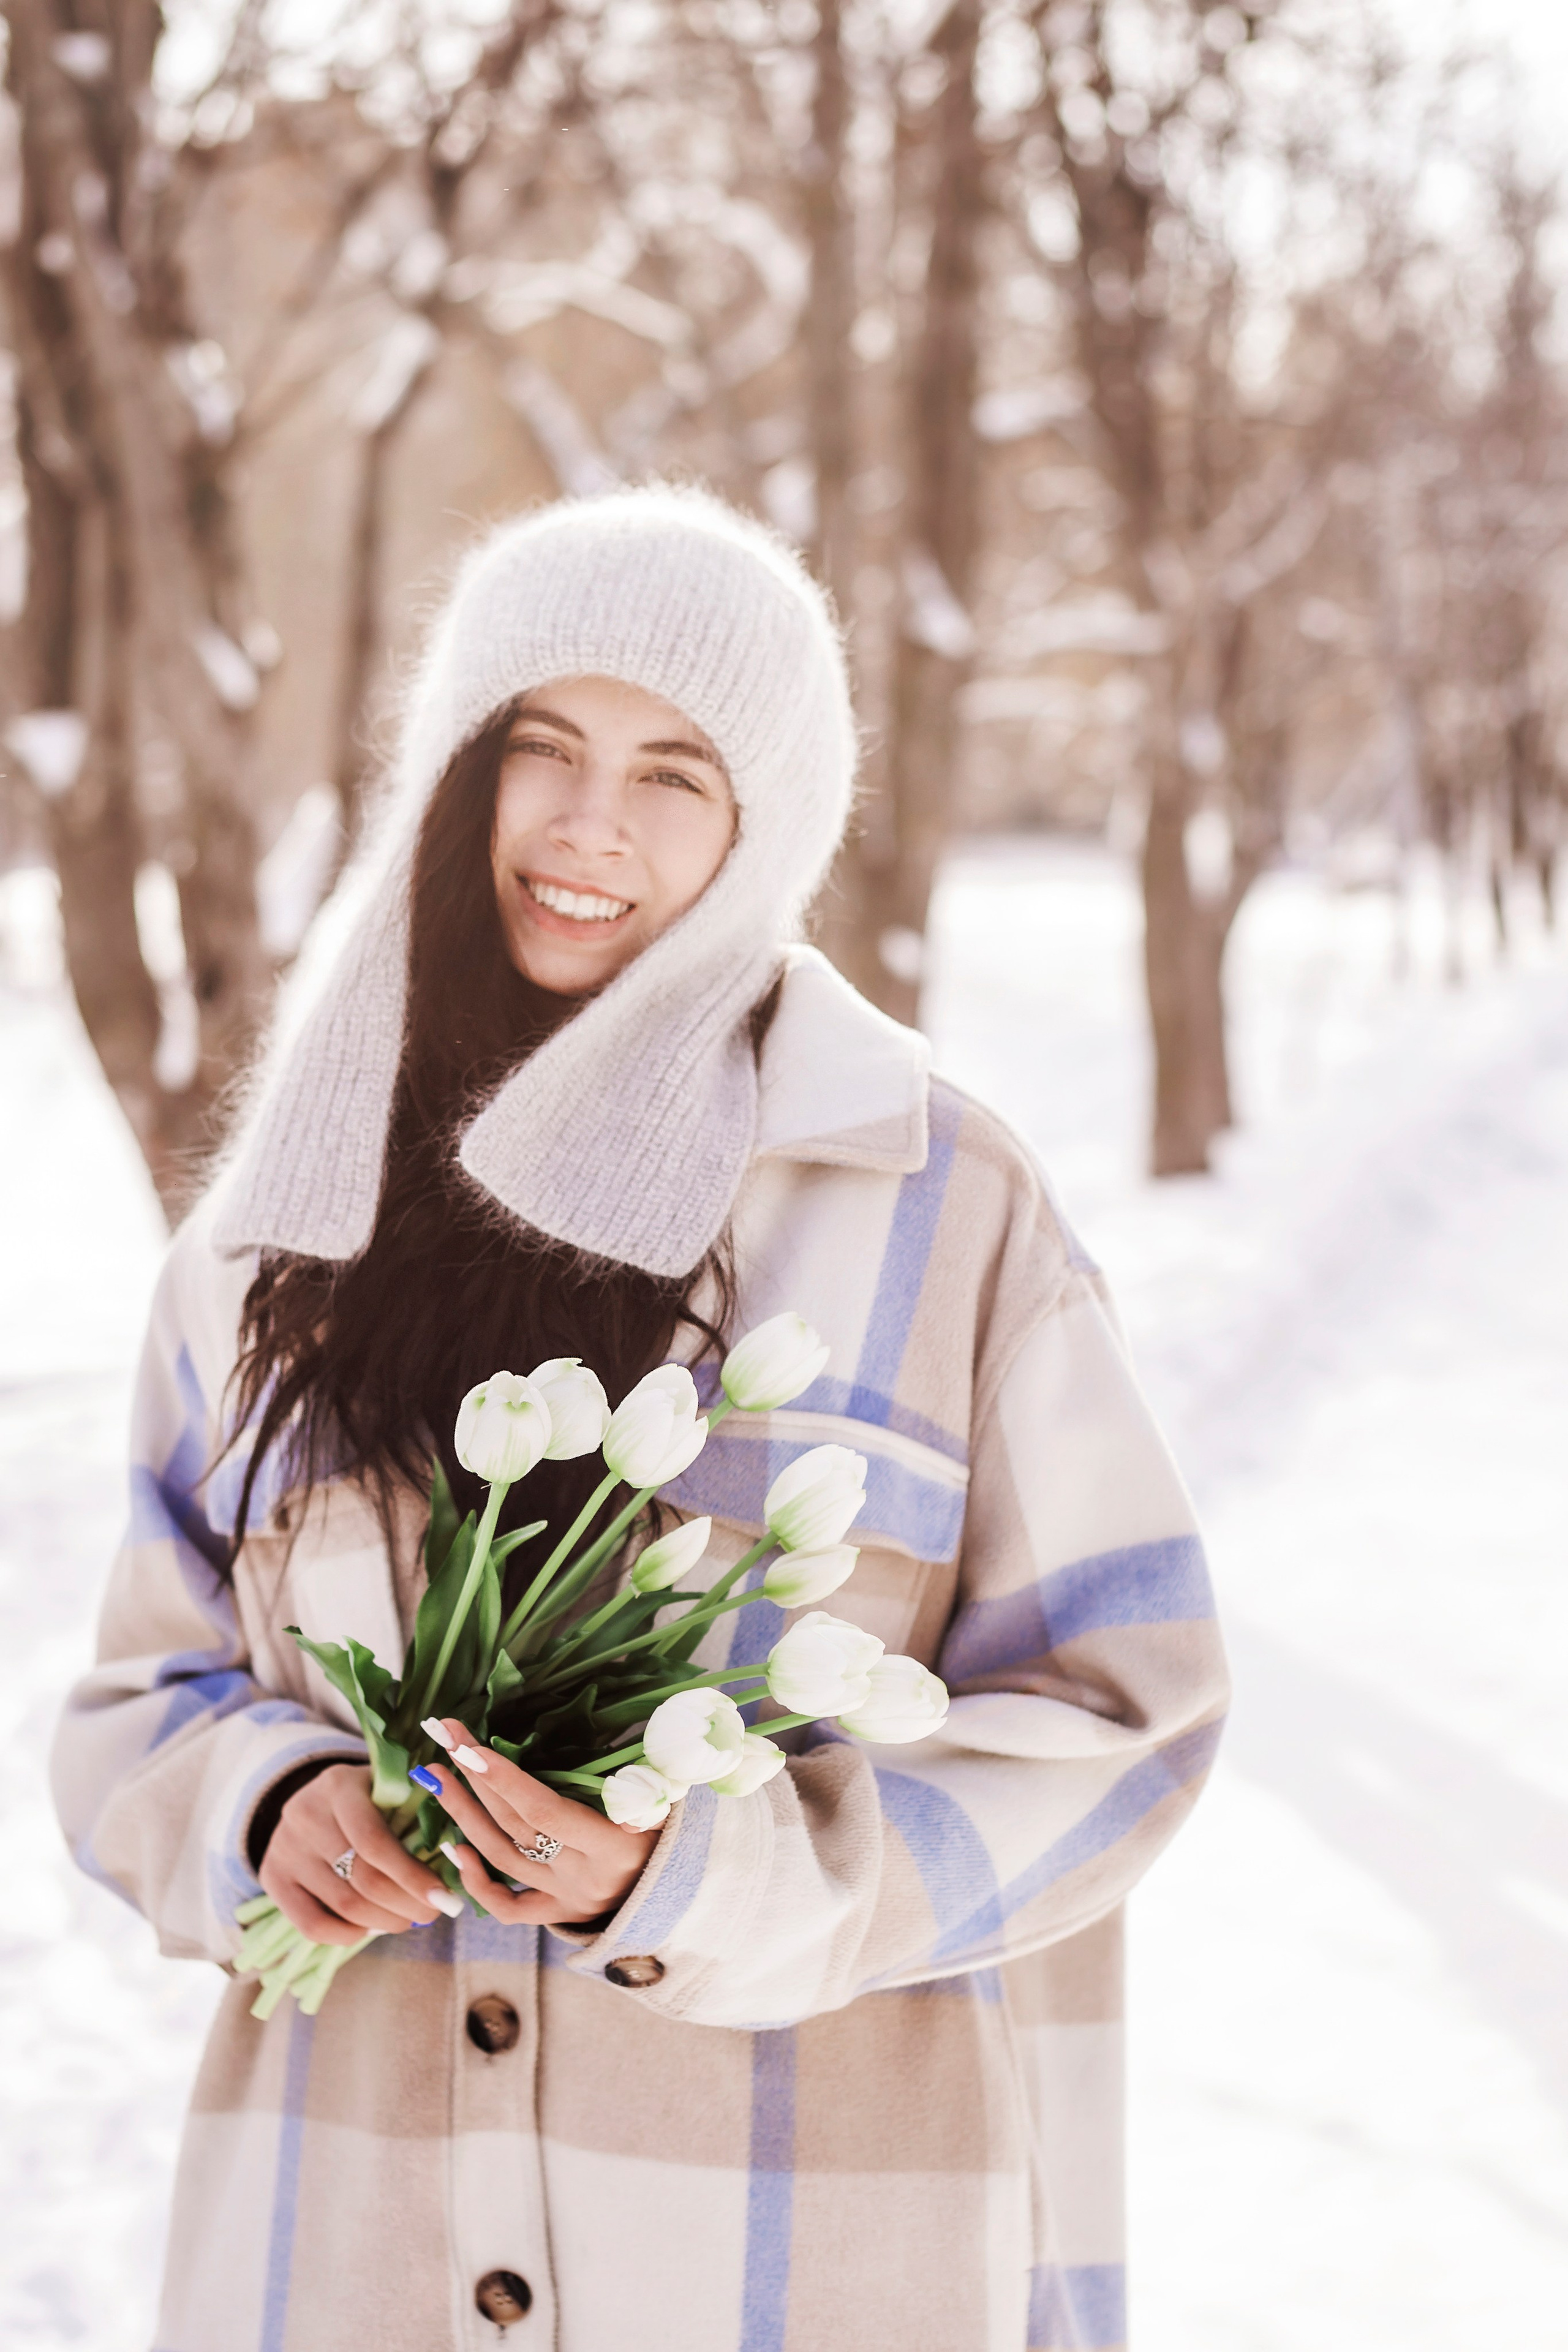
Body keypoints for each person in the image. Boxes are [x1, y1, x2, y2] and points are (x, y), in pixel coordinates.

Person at [53, 486, 1227, 2352]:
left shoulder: (931, 1204)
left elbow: (1124, 1719)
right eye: (542, 746)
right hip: (341, 2258)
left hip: (793, 2273)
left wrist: (720, 1878)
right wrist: (265, 1807)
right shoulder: (280, 1235)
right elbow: (135, 1699)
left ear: (765, 829)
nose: (589, 823)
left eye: (675, 774)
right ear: (455, 772)